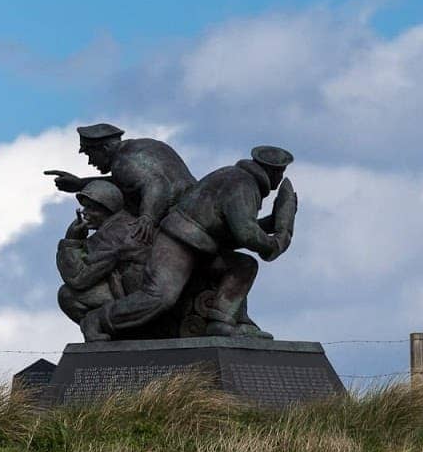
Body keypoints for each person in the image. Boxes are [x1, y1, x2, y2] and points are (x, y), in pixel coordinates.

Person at [83, 145, 297, 340]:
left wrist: (274, 222)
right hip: (179, 241)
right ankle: (97, 321)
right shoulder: (242, 185)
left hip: (201, 247)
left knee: (243, 265)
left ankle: (221, 321)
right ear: (275, 173)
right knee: (160, 297)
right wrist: (276, 243)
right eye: (281, 173)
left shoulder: (235, 177)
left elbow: (229, 230)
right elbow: (247, 234)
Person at [45, 123, 197, 239]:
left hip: (179, 213)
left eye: (89, 154)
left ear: (104, 149)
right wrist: (79, 183)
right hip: (191, 202)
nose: (90, 162)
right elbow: (128, 183)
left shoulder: (122, 163)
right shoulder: (137, 147)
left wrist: (147, 217)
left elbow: (156, 183)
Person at [54, 180, 149, 324]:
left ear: (106, 209)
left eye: (90, 208)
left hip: (136, 298)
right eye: (84, 207)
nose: (84, 213)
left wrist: (71, 242)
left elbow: (79, 278)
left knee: (67, 295)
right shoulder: (128, 223)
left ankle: (115, 330)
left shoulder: (110, 235)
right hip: (138, 290)